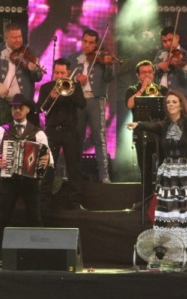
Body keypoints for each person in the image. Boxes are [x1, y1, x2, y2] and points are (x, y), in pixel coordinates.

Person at [127, 91, 187, 268]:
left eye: (174, 102)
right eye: (168, 102)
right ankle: (170, 256)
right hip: (169, 174)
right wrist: (137, 124)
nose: (171, 105)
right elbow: (150, 125)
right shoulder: (163, 125)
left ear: (181, 105)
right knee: (169, 214)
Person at [0, 94, 52, 244]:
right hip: (9, 180)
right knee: (3, 216)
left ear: (27, 110)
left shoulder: (38, 133)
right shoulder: (2, 130)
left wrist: (43, 163)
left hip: (31, 182)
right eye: (14, 108)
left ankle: (36, 250)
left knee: (35, 217)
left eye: (20, 108)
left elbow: (49, 158)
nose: (17, 110)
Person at [37, 58, 86, 210]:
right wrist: (51, 97)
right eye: (56, 73)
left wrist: (68, 91)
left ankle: (75, 202)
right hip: (52, 131)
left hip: (70, 130)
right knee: (48, 167)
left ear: (68, 73)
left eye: (62, 73)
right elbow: (40, 109)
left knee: (74, 168)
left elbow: (82, 104)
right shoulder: (46, 88)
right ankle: (44, 202)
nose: (59, 76)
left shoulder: (75, 87)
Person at [70, 29, 115, 183]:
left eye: (91, 43)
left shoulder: (102, 59)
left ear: (96, 44)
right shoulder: (74, 58)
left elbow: (109, 78)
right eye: (85, 41)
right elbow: (67, 79)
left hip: (96, 100)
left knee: (99, 137)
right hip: (78, 102)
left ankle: (104, 174)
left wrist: (109, 65)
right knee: (77, 138)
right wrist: (76, 79)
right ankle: (75, 174)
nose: (87, 45)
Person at [0, 23, 44, 128]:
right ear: (6, 38)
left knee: (25, 134)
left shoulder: (30, 52)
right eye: (14, 37)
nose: (18, 40)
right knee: (2, 133)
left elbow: (38, 78)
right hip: (2, 102)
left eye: (20, 36)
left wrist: (34, 70)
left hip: (24, 103)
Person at [125, 61, 168, 187]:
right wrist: (142, 89)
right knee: (145, 169)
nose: (147, 75)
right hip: (142, 134)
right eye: (143, 72)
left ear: (153, 74)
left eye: (150, 72)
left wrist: (158, 94)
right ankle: (146, 196)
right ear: (137, 75)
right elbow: (129, 105)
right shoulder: (132, 90)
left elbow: (169, 108)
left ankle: (162, 194)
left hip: (160, 134)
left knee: (163, 168)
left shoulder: (162, 89)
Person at [153, 26, 187, 105]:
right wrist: (158, 66)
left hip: (179, 100)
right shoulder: (160, 54)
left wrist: (179, 66)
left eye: (170, 40)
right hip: (159, 97)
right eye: (164, 41)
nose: (168, 44)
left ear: (177, 38)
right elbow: (151, 70)